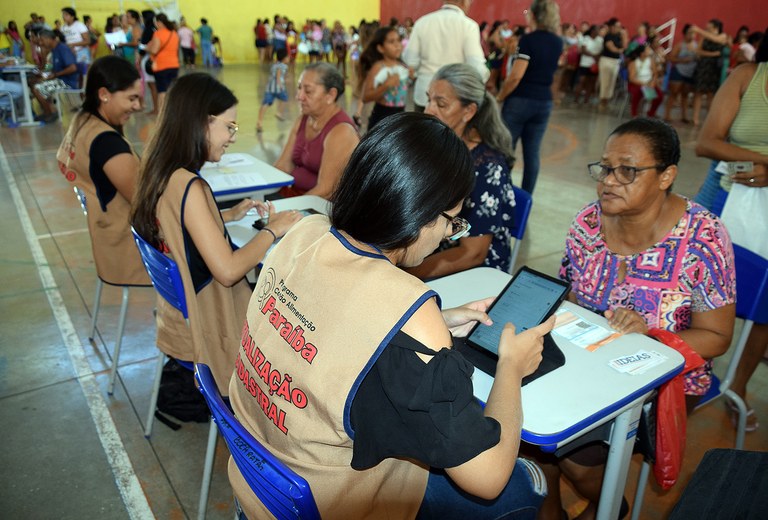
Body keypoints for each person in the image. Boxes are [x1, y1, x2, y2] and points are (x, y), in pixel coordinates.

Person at [229, 111, 552, 519]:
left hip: (260, 479)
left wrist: (439, 319)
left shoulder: (303, 234)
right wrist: (511, 367)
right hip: (324, 501)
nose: (446, 237)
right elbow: (486, 479)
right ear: (421, 213)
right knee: (525, 485)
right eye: (452, 222)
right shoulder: (410, 307)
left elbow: (326, 316)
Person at [537, 118, 736, 520]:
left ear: (667, 177)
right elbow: (570, 299)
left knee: (568, 452)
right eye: (605, 168)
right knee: (528, 418)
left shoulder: (703, 238)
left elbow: (716, 337)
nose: (609, 181)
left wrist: (652, 336)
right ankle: (549, 511)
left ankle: (612, 505)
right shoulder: (588, 224)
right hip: (588, 359)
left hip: (666, 380)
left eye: (627, 170)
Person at [131, 73, 301, 391]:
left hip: (176, 319)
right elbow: (227, 271)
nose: (233, 136)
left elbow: (175, 223)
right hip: (212, 323)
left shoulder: (160, 169)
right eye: (229, 126)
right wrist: (273, 231)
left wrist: (226, 214)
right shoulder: (191, 186)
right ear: (202, 123)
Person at [694, 31, 768, 432]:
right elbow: (707, 142)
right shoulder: (747, 75)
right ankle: (687, 374)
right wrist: (761, 161)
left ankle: (737, 388)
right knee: (693, 294)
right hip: (722, 200)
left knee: (764, 310)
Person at [56, 55, 151, 306]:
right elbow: (144, 202)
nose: (138, 106)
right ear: (104, 94)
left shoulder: (82, 121)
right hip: (129, 240)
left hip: (106, 230)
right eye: (131, 98)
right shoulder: (107, 143)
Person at [409, 63, 516, 278]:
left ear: (469, 111)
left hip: (473, 274)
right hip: (431, 252)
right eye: (429, 100)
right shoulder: (440, 146)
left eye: (441, 103)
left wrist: (406, 273)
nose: (429, 110)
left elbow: (473, 253)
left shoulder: (487, 168)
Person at [496, 0, 563, 195]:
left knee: (506, 150)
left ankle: (502, 195)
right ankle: (526, 197)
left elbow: (516, 76)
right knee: (532, 153)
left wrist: (500, 96)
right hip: (544, 101)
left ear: (534, 15)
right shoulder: (558, 42)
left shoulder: (528, 40)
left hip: (520, 100)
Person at [273, 62, 359, 198]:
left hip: (317, 206)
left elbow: (326, 190)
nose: (299, 96)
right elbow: (283, 166)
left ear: (330, 95)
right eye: (299, 88)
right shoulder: (303, 119)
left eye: (308, 91)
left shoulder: (342, 131)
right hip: (294, 195)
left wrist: (290, 208)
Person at [402, 0, 489, 112]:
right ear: (465, 2)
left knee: (422, 128)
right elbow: (477, 67)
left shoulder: (422, 22)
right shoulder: (469, 25)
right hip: (454, 97)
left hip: (425, 94)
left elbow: (411, 60)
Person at [359, 26, 409, 131]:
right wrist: (386, 85)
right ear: (381, 48)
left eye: (398, 40)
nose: (397, 45)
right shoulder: (378, 67)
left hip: (400, 115)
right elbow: (365, 96)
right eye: (391, 42)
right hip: (383, 116)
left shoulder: (403, 66)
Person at [31, 29, 79, 123]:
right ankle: (48, 111)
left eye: (42, 40)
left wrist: (55, 75)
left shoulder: (62, 49)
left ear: (48, 38)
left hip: (67, 82)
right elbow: (53, 68)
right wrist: (46, 75)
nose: (41, 43)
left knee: (36, 89)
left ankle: (49, 114)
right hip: (60, 80)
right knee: (34, 83)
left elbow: (73, 68)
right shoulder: (55, 50)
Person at [691, 20, 729, 126]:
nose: (707, 26)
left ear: (715, 26)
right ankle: (695, 118)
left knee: (710, 94)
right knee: (698, 92)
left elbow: (717, 40)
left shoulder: (722, 35)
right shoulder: (704, 36)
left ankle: (709, 118)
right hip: (703, 66)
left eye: (709, 24)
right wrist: (712, 54)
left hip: (714, 68)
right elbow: (698, 50)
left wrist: (699, 30)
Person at [664, 24, 698, 124]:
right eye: (689, 33)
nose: (691, 35)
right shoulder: (679, 45)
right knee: (674, 93)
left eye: (693, 33)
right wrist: (682, 60)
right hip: (678, 71)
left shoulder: (697, 46)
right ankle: (667, 114)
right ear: (685, 34)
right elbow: (671, 58)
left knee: (685, 94)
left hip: (690, 73)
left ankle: (684, 116)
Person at [146, 13, 179, 114]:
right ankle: (172, 112)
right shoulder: (174, 33)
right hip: (174, 65)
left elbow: (155, 50)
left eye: (156, 22)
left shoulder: (158, 33)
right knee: (171, 90)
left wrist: (148, 48)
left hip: (161, 65)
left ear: (159, 22)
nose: (155, 24)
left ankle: (162, 114)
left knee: (162, 91)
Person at [597, 18, 628, 110]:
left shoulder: (619, 36)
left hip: (616, 62)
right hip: (607, 60)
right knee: (605, 82)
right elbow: (612, 49)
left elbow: (624, 47)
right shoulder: (608, 36)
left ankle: (607, 101)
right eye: (617, 26)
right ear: (612, 27)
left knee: (612, 82)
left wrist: (624, 37)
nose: (618, 28)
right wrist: (620, 50)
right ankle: (602, 102)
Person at [256, 48, 289, 132]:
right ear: (284, 58)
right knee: (285, 99)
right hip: (278, 88)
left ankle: (259, 122)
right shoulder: (283, 66)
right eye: (287, 57)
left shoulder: (274, 64)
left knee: (265, 104)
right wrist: (281, 85)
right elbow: (278, 76)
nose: (288, 59)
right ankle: (279, 113)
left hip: (269, 88)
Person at [627, 44, 664, 117]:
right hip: (637, 83)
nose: (649, 51)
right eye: (647, 50)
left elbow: (655, 74)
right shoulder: (633, 63)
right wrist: (643, 83)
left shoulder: (650, 61)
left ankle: (651, 113)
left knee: (659, 96)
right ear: (642, 53)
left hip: (649, 83)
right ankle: (634, 113)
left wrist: (652, 82)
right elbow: (632, 78)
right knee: (637, 93)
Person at [573, 24, 602, 105]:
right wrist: (594, 56)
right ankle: (576, 99)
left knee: (591, 82)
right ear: (592, 31)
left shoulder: (600, 40)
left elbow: (601, 51)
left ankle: (586, 100)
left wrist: (597, 58)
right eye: (597, 30)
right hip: (585, 63)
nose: (598, 32)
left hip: (594, 65)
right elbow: (583, 50)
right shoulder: (586, 38)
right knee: (581, 81)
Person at [61, 7, 91, 78]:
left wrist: (73, 44)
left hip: (81, 52)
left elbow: (87, 41)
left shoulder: (79, 25)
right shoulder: (63, 27)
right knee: (74, 73)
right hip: (70, 53)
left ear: (72, 16)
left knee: (84, 74)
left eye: (66, 15)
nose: (63, 17)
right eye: (63, 15)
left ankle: (84, 88)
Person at [139, 10, 158, 114]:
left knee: (152, 86)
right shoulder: (156, 29)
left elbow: (143, 47)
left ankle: (156, 109)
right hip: (156, 59)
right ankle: (157, 108)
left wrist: (139, 58)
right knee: (155, 85)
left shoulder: (148, 30)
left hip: (148, 59)